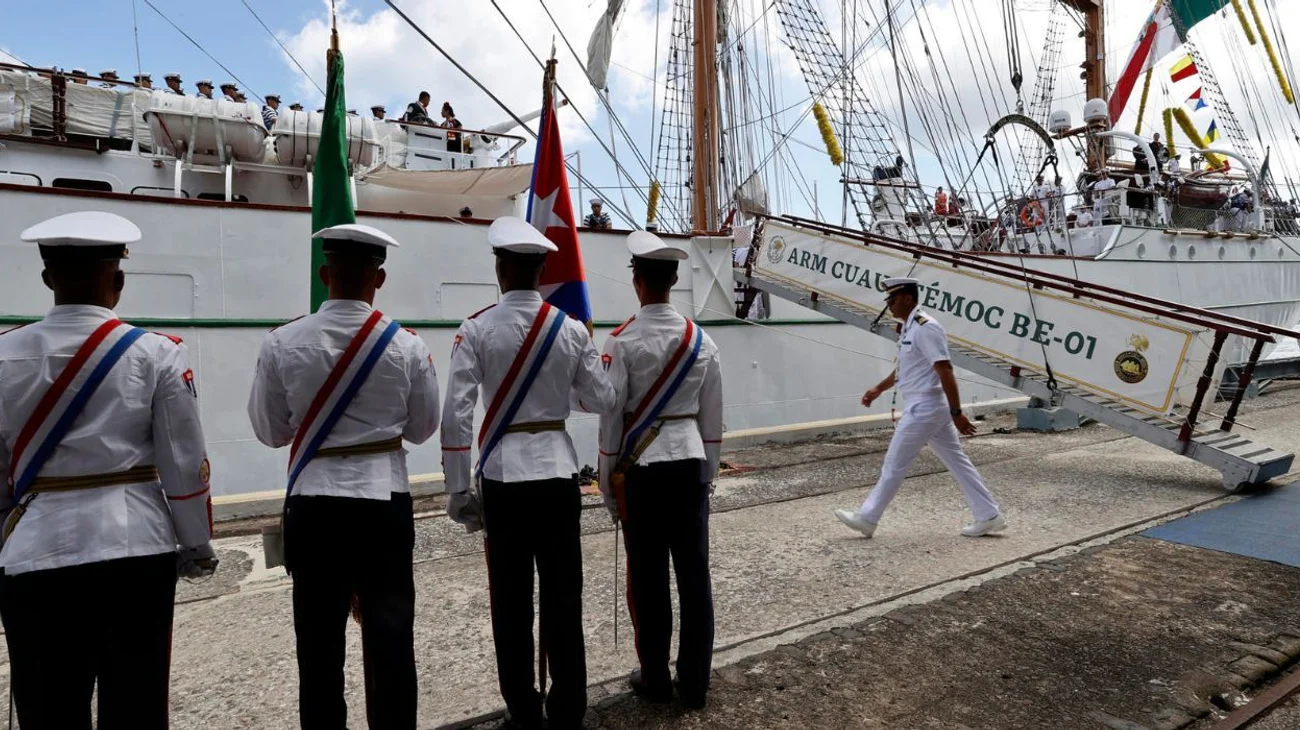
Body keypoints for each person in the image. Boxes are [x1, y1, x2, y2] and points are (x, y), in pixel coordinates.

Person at [0, 211, 218, 730]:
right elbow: (183, 463)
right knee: (137, 705)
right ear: (117, 280)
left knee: (49, 707)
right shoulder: (157, 353)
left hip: (33, 553)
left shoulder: (4, 354)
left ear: (48, 277)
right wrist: (196, 545)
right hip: (134, 547)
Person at [247, 223, 440, 730]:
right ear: (379, 278)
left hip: (315, 507)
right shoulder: (407, 347)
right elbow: (423, 429)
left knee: (317, 649)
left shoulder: (282, 342)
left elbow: (270, 431)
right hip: (384, 502)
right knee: (393, 642)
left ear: (324, 273)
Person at [441, 217, 616, 730]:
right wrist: (566, 388)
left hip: (502, 477)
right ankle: (568, 710)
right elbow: (602, 398)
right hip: (558, 474)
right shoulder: (571, 330)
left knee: (511, 603)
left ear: (500, 269)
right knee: (564, 596)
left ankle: (523, 709)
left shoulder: (475, 329)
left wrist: (457, 489)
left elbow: (456, 414)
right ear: (542, 272)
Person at [597, 231, 723, 710]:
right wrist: (706, 474)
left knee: (648, 580)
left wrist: (608, 480)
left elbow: (611, 418)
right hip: (689, 462)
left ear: (637, 281)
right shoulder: (702, 341)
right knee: (695, 579)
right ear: (674, 280)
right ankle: (695, 684)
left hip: (643, 470)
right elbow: (712, 417)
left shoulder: (622, 340)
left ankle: (654, 676)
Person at [834, 277, 1006, 538]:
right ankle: (988, 515)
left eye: (892, 300)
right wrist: (879, 388)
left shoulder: (926, 328)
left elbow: (945, 369)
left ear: (908, 298)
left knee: (894, 463)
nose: (888, 305)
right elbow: (906, 368)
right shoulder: (910, 328)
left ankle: (867, 518)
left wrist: (957, 412)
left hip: (925, 408)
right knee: (958, 462)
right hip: (927, 406)